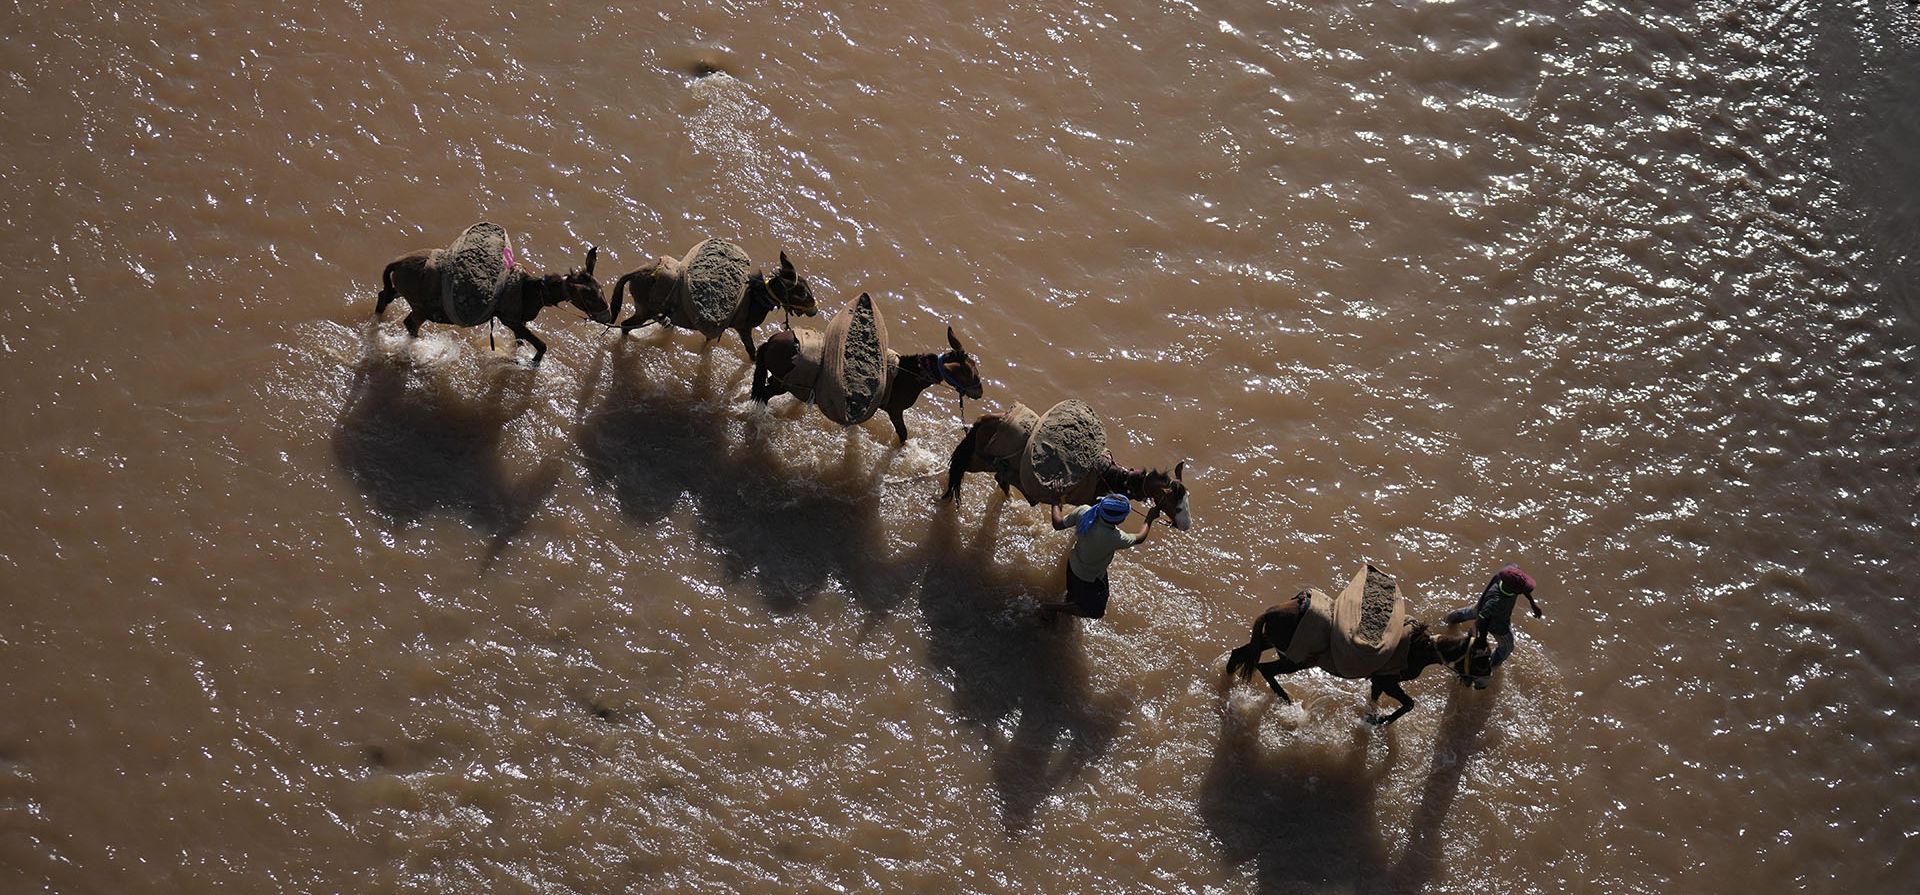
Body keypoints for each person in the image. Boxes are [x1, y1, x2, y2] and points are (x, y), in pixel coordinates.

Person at [1039, 494, 1158, 621]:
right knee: (1096, 612)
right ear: (1120, 520)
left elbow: (1058, 524)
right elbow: (1140, 537)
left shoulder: (1084, 511)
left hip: (1074, 565)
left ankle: (1068, 606)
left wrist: (1055, 502)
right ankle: (1050, 607)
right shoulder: (1114, 537)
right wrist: (1149, 518)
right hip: (1088, 577)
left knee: (1074, 595)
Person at [1444, 565, 1543, 685]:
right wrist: (1475, 631)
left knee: (1468, 612)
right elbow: (1482, 617)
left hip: (1481, 605)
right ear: (1514, 590)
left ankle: (1447, 620)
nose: (1525, 589)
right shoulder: (1497, 601)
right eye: (1521, 589)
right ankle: (1491, 665)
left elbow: (1524, 588)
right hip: (1497, 624)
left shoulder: (1507, 573)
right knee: (1507, 647)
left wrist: (1532, 603)